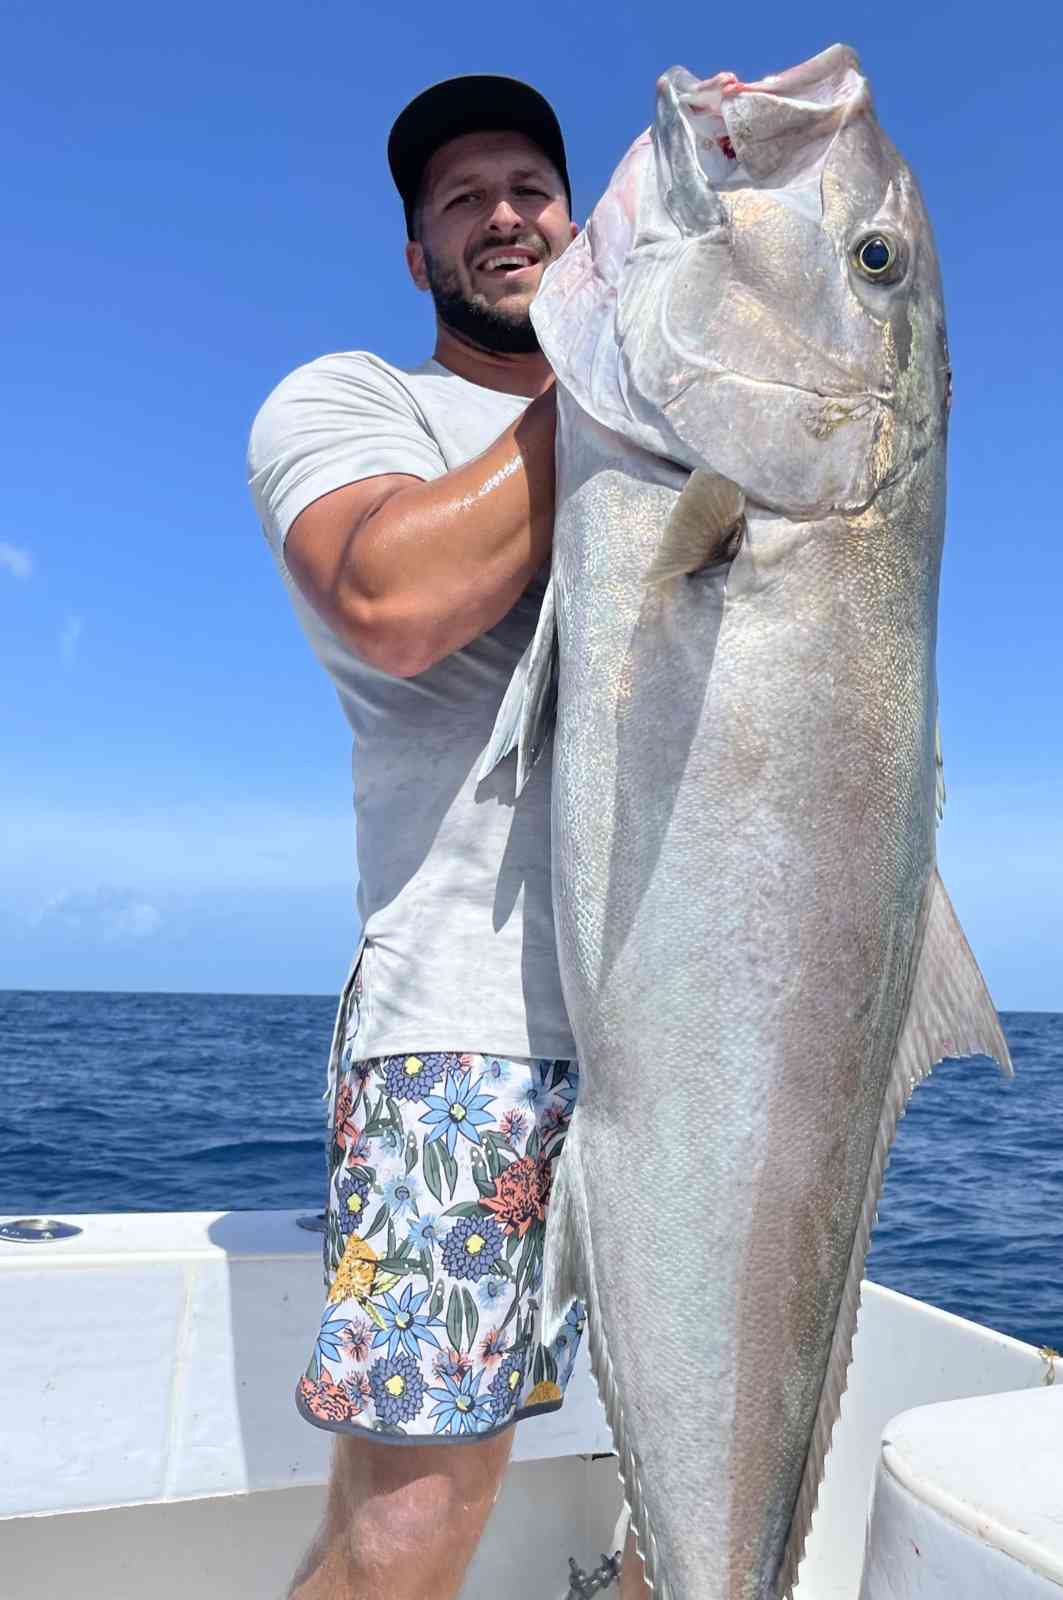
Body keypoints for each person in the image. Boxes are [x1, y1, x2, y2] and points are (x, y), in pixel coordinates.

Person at [247, 77, 650, 1600]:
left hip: (691, 1035)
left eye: (532, 186)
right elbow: (389, 601)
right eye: (460, 198)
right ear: (417, 255)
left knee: (693, 1469)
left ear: (577, 219)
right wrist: (631, 372)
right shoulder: (352, 401)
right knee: (415, 1526)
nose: (504, 213)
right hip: (471, 1033)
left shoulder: (674, 407)